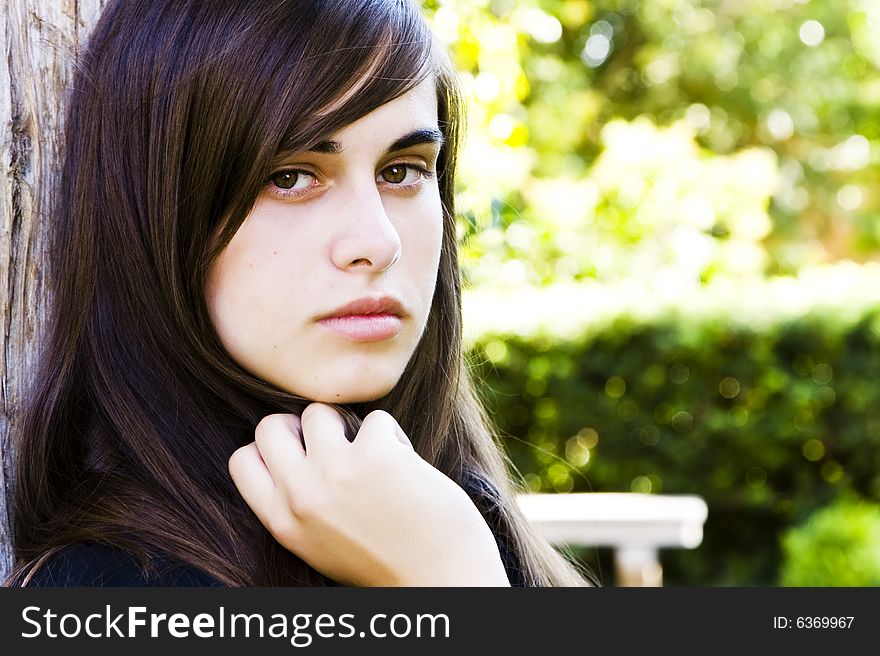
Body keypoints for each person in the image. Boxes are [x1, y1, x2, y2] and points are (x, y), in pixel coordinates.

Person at [6, 0, 590, 587]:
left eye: (402, 170)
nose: (377, 242)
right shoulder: (112, 590)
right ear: (159, 215)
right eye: (290, 177)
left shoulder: (461, 512)